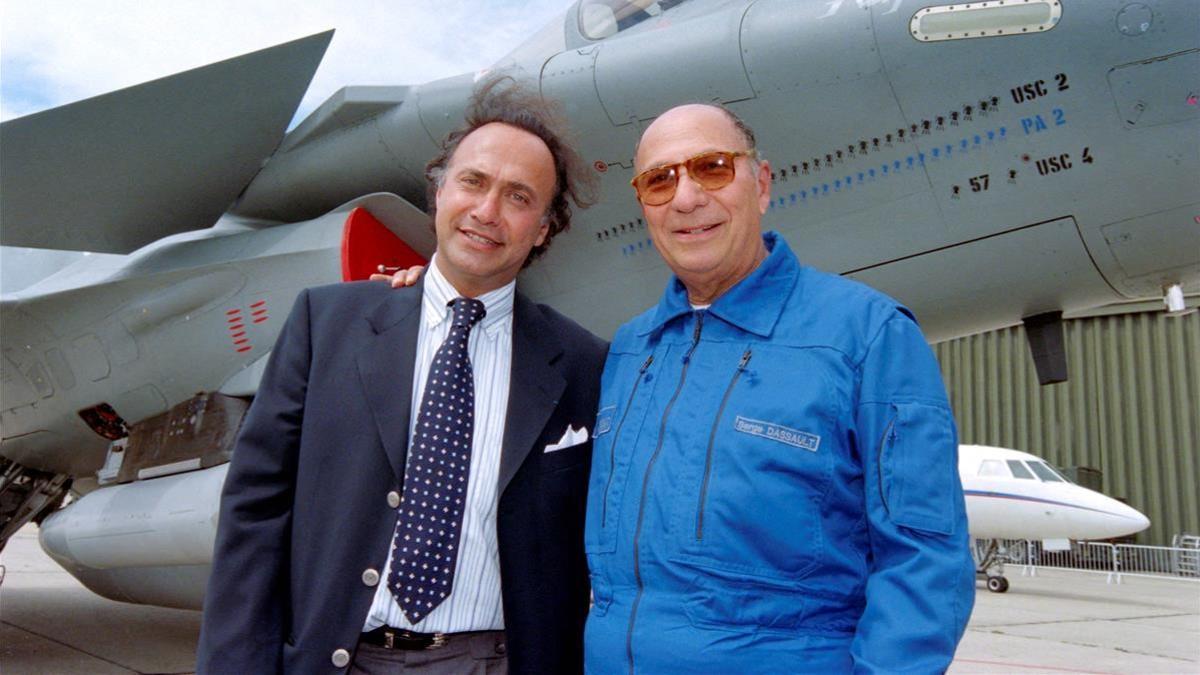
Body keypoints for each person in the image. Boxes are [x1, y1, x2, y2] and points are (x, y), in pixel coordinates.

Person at [196, 77, 606, 674]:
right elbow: (255, 513)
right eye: (473, 182)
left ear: (543, 228)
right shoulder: (327, 324)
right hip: (336, 657)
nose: (487, 212)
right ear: (437, 192)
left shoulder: (582, 363)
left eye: (519, 197)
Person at [582, 104, 975, 673]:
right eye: (659, 180)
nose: (687, 198)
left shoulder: (867, 336)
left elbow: (925, 562)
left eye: (712, 168)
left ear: (761, 184)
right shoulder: (629, 349)